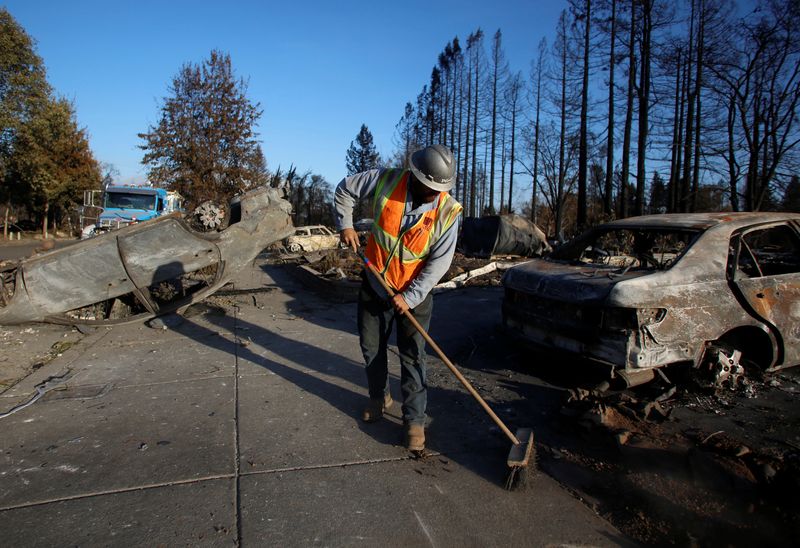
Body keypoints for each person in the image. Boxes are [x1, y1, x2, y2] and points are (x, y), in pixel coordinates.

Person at [333, 144, 463, 452]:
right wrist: (346, 225)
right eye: (429, 187)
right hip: (375, 282)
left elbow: (439, 263)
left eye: (439, 189)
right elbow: (344, 189)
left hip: (414, 296)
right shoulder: (387, 180)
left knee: (413, 356)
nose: (434, 194)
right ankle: (379, 397)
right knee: (371, 348)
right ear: (415, 176)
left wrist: (411, 296)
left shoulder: (448, 212)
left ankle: (414, 421)